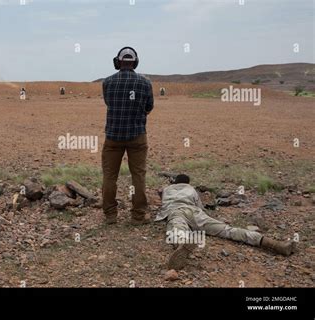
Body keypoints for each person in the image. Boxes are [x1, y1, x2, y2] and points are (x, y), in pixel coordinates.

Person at [156, 174, 297, 270]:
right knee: (227, 230)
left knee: (177, 228)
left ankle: (182, 244)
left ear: (174, 182)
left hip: (176, 211)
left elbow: (162, 200)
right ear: (188, 183)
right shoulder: (191, 189)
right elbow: (200, 206)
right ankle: (275, 244)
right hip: (195, 212)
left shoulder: (167, 189)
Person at [101, 47, 154, 225]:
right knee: (138, 175)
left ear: (118, 62)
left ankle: (110, 215)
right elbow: (149, 107)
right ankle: (138, 216)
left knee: (109, 176)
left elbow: (109, 102)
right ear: (135, 62)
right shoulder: (145, 83)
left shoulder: (107, 82)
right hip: (137, 136)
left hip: (113, 136)